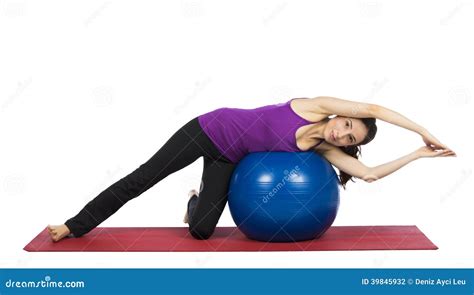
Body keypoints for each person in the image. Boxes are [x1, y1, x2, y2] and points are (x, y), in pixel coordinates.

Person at [47, 96, 456, 242]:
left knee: (202, 231)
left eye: (349, 138)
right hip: (208, 130)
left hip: (229, 159)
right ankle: (74, 225)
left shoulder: (323, 150)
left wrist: (418, 155)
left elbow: (368, 175)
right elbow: (373, 109)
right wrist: (423, 129)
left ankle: (194, 204)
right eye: (347, 125)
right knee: (143, 177)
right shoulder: (313, 105)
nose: (342, 132)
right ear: (342, 116)